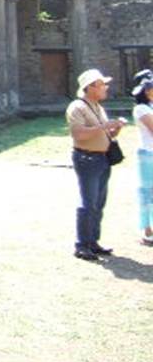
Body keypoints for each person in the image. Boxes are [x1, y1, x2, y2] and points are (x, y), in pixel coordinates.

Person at [66, 69, 125, 261]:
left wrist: (114, 129)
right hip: (87, 159)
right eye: (101, 84)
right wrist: (104, 127)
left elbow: (103, 133)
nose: (105, 88)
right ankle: (82, 245)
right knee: (88, 203)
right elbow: (79, 134)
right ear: (90, 87)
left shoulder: (98, 106)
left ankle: (93, 241)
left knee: (99, 203)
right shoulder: (77, 107)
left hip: (102, 158)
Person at [131, 75, 153, 246]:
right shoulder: (141, 109)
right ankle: (147, 229)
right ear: (146, 92)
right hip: (148, 154)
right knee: (147, 192)